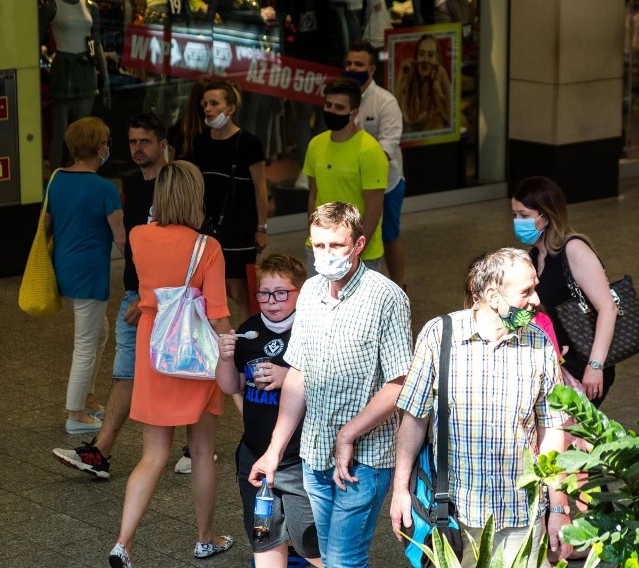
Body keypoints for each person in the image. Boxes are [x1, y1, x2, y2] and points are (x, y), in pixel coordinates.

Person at [249, 202, 412, 567]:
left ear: (358, 244)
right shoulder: (308, 292)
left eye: (336, 246)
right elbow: (299, 374)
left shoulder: (386, 298)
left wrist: (347, 435)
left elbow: (400, 383)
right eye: (319, 246)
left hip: (365, 459)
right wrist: (274, 451)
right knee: (326, 557)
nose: (326, 255)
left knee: (342, 560)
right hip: (314, 454)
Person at [391, 248, 572, 568]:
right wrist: (400, 490)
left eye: (535, 287)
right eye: (526, 291)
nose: (535, 299)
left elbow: (552, 431)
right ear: (493, 295)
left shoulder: (539, 343)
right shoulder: (439, 335)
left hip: (522, 514)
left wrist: (558, 507)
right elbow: (414, 420)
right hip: (455, 515)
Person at [107, 161, 233, 568]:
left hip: (156, 348)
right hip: (195, 353)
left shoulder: (139, 235)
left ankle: (123, 543)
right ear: (195, 197)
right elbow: (216, 314)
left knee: (153, 455)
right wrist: (234, 351)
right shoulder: (207, 247)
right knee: (201, 451)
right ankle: (204, 538)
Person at [52, 112, 168, 478]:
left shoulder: (175, 183)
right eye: (132, 141)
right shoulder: (128, 185)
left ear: (162, 145)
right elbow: (128, 240)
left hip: (164, 295)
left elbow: (177, 246)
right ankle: (99, 450)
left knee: (177, 373)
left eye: (145, 141)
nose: (137, 148)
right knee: (123, 370)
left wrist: (150, 295)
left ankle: (193, 449)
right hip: (133, 291)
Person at [216, 254, 321, 568]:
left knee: (310, 542)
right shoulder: (249, 332)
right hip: (255, 457)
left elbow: (329, 385)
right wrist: (224, 358)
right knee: (264, 537)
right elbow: (230, 386)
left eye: (282, 293)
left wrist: (286, 376)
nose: (272, 301)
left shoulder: (310, 332)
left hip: (300, 459)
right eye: (264, 293)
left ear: (300, 293)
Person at [44, 117, 124, 435]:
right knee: (86, 343)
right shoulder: (104, 188)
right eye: (106, 141)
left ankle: (87, 397)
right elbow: (121, 237)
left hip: (64, 270)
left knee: (99, 333)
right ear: (98, 146)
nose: (107, 147)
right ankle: (75, 414)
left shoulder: (56, 180)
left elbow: (47, 226)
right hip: (90, 274)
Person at [510, 176, 618, 406]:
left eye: (524, 216)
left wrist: (595, 365)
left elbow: (607, 307)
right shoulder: (534, 257)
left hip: (582, 361)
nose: (518, 221)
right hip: (558, 360)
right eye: (514, 215)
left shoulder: (573, 249)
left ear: (546, 216)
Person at [189, 79, 268, 327]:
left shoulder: (248, 143)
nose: (208, 109)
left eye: (214, 103)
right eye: (205, 104)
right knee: (210, 290)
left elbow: (260, 187)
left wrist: (262, 227)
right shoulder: (200, 142)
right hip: (207, 227)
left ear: (230, 108)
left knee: (239, 292)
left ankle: (247, 345)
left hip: (239, 227)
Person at [303, 78, 388, 276]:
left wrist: (354, 252)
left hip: (360, 254)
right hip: (320, 248)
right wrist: (313, 236)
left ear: (354, 113)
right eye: (328, 105)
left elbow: (374, 209)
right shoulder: (316, 144)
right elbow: (313, 194)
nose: (331, 111)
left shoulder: (370, 151)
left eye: (339, 107)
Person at [345, 40, 407, 290]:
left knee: (388, 236)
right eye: (349, 63)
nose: (352, 68)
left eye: (358, 64)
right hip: (350, 182)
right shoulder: (343, 97)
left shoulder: (386, 102)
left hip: (387, 185)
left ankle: (399, 287)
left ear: (371, 69)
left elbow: (387, 148)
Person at [40, 0, 111, 169]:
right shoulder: (52, 6)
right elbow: (34, 40)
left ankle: (80, 173)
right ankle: (56, 177)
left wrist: (106, 79)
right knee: (60, 130)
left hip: (85, 68)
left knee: (83, 131)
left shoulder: (90, 7)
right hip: (63, 68)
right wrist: (42, 63)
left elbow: (97, 43)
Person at [395, 33, 452, 133]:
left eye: (430, 55)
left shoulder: (438, 88)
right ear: (416, 57)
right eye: (421, 54)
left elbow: (452, 119)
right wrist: (400, 77)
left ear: (437, 59)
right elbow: (392, 112)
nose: (425, 60)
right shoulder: (408, 83)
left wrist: (445, 82)